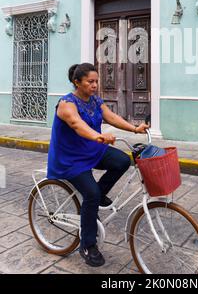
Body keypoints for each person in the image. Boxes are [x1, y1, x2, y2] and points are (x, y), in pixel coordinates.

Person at [47, 63, 149, 267]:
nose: (94, 85)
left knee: (122, 161)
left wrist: (135, 129)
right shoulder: (66, 104)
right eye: (90, 82)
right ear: (77, 82)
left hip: (92, 150)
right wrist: (99, 136)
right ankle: (88, 245)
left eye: (96, 81)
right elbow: (77, 124)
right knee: (91, 194)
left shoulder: (94, 100)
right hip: (70, 159)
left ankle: (99, 196)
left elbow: (111, 117)